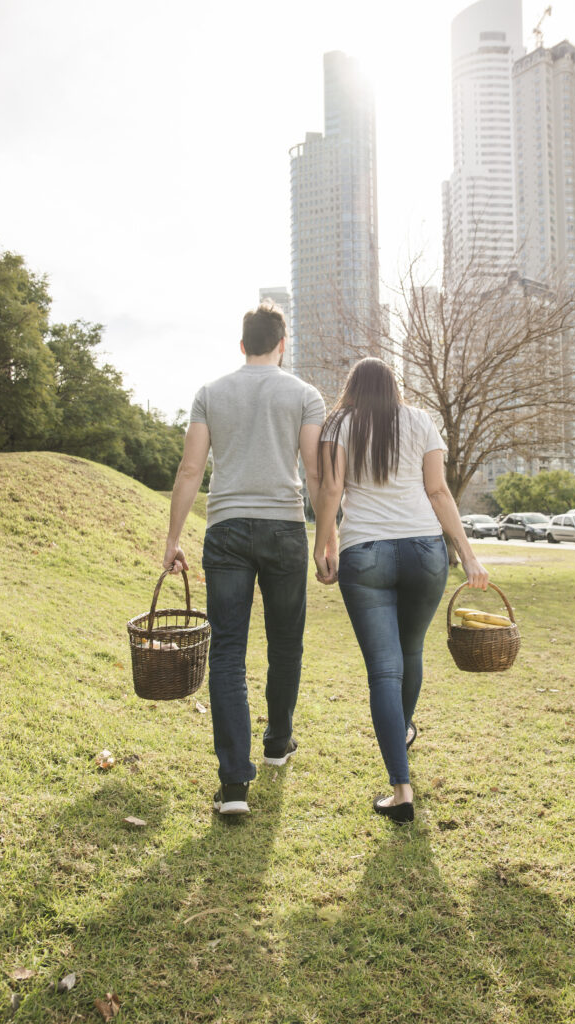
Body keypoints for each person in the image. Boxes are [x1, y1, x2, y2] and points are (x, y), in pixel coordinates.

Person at [163, 301, 335, 815]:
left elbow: (190, 470)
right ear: (283, 344)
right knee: (286, 643)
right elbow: (318, 476)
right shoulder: (305, 395)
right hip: (285, 529)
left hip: (227, 530)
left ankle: (235, 783)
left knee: (228, 651)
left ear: (242, 345)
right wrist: (327, 541)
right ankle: (278, 742)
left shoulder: (210, 394)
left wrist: (173, 539)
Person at [313, 358, 488, 823]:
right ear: (395, 387)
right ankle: (403, 727)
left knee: (383, 672)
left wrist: (322, 546)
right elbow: (439, 492)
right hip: (424, 552)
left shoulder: (339, 423)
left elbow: (331, 490)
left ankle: (401, 790)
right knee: (411, 652)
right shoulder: (420, 420)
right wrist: (467, 555)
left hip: (364, 552)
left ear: (352, 388)